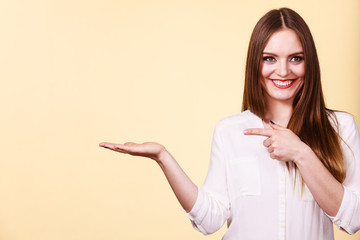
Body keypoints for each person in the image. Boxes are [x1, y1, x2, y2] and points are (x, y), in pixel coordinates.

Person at [99, 8, 360, 240]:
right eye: (269, 58)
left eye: (296, 58)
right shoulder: (230, 131)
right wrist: (162, 157)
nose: (283, 71)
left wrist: (302, 153)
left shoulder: (341, 128)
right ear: (255, 63)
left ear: (309, 63)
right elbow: (210, 220)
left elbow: (353, 220)